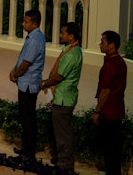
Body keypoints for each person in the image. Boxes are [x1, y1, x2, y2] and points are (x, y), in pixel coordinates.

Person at [41, 21, 83, 173]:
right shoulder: (68, 49)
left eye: (63, 33)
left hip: (64, 99)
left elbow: (59, 77)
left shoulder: (72, 54)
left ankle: (65, 166)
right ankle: (62, 161)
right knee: (60, 133)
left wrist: (45, 83)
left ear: (71, 36)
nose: (60, 35)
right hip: (61, 97)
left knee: (63, 135)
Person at [8, 9, 45, 157]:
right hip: (26, 81)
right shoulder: (33, 36)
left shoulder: (35, 39)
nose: (23, 24)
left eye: (26, 21)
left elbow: (26, 63)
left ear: (34, 23)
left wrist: (16, 74)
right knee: (26, 119)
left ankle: (29, 152)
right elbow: (23, 59)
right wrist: (14, 69)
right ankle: (26, 149)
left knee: (28, 120)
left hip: (29, 84)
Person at [92, 30, 127, 175]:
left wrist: (97, 111)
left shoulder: (110, 65)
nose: (100, 44)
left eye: (103, 42)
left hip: (108, 113)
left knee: (109, 150)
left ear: (111, 45)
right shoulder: (120, 61)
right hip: (117, 111)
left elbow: (105, 91)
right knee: (114, 152)